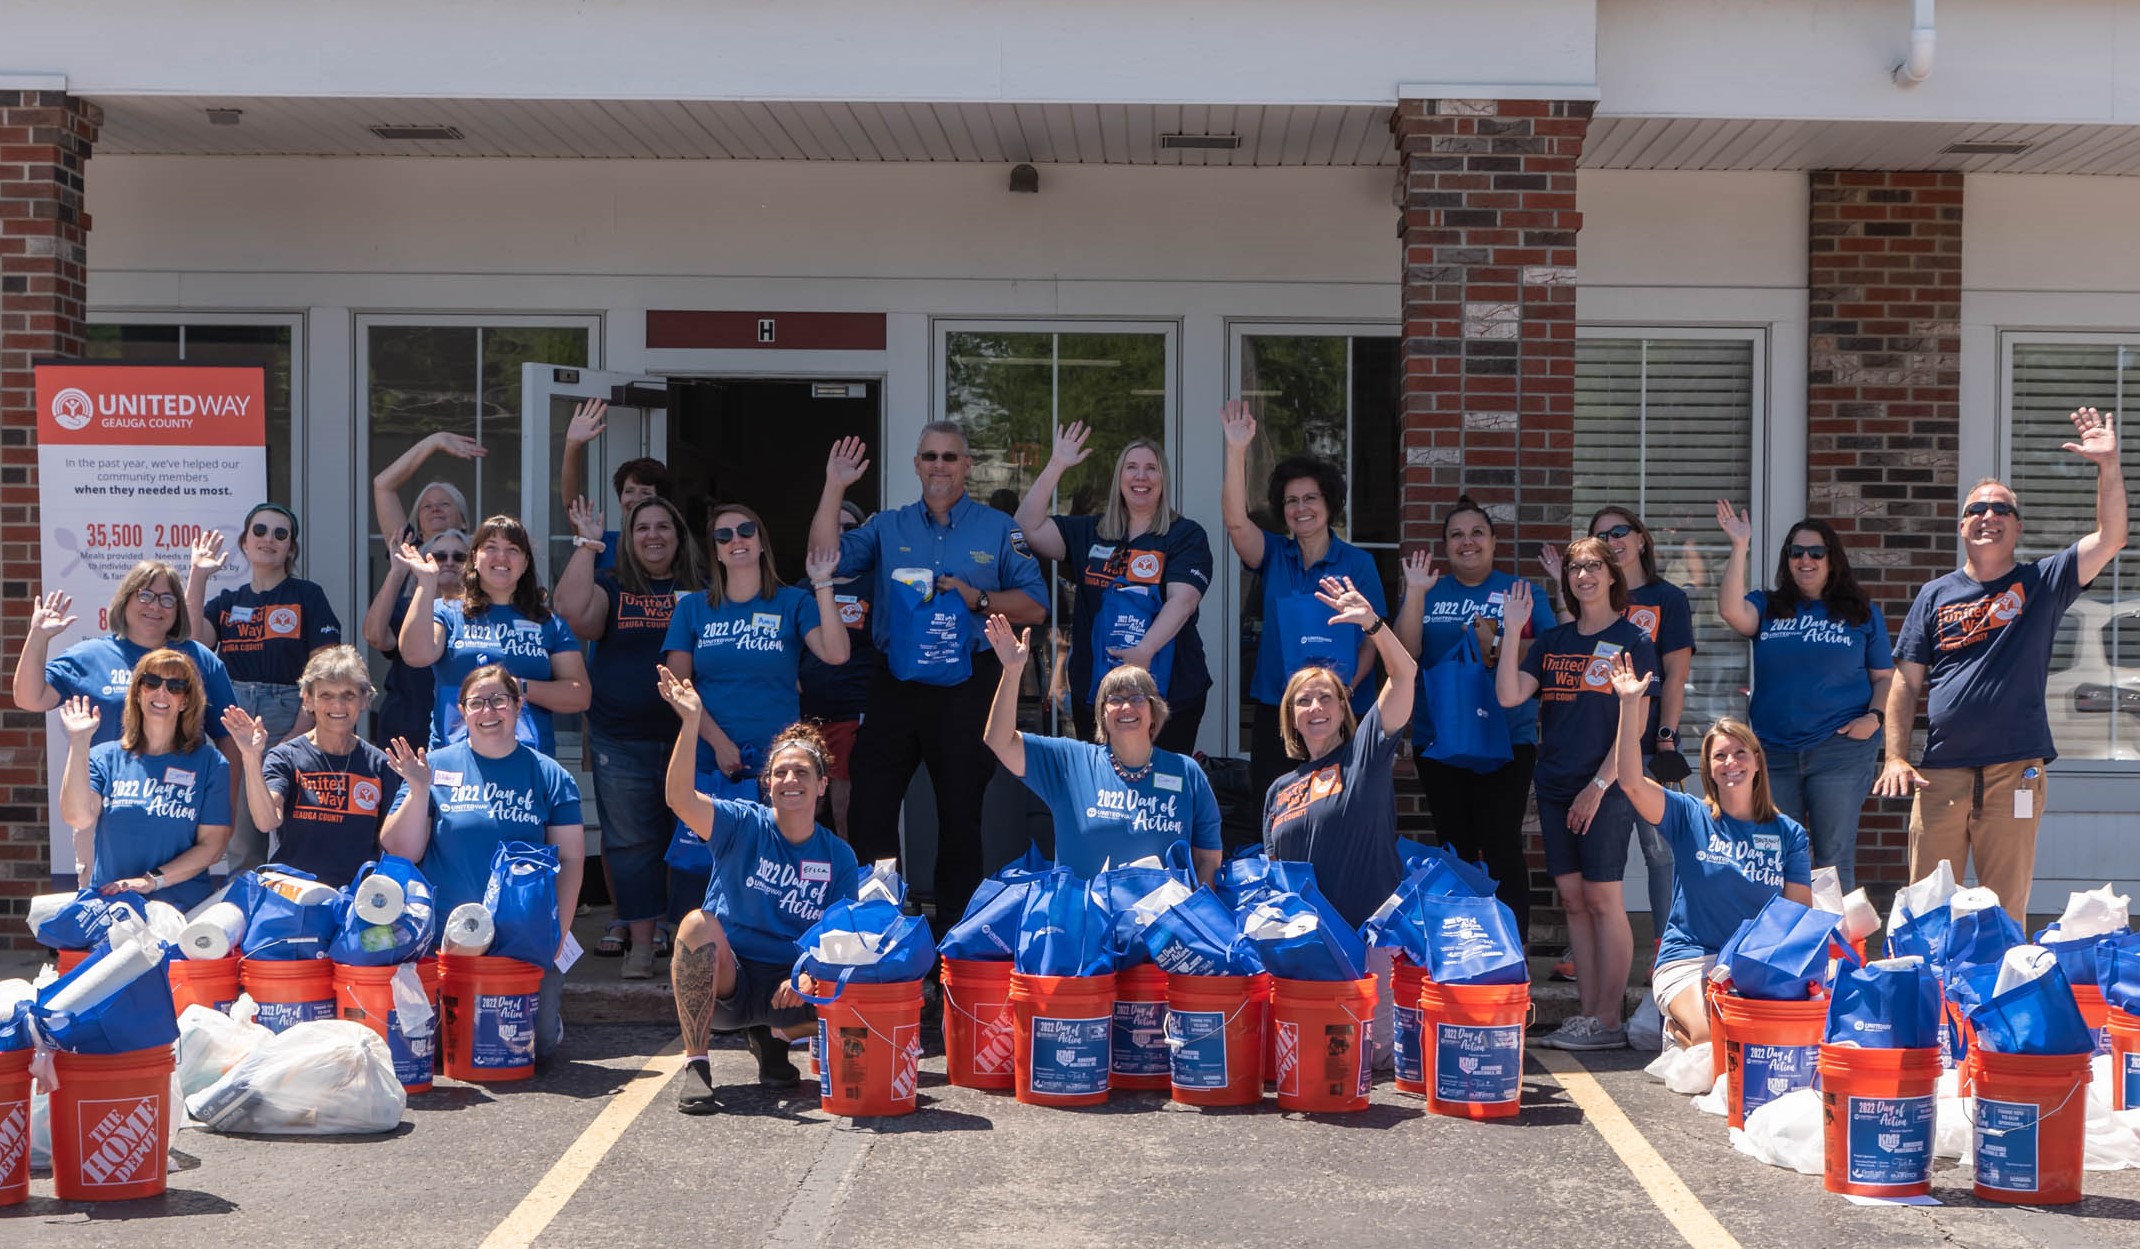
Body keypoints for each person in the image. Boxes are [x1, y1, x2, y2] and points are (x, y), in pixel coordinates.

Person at [1877, 406, 2128, 924]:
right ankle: (1931, 1001)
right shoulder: (1934, 595)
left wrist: (2108, 467)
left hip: (2015, 768)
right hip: (1940, 774)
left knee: (2003, 912)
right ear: (1963, 525)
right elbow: (1905, 681)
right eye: (1977, 508)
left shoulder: (2044, 582)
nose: (1988, 515)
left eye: (2000, 509)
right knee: (1927, 909)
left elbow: (2111, 538)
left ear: (2016, 526)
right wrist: (1895, 757)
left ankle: (1992, 1000)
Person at [806, 426, 1047, 928]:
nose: (940, 465)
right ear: (916, 464)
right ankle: (879, 924)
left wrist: (976, 597)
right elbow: (822, 560)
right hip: (897, 682)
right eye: (930, 457)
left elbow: (1036, 606)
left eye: (950, 457)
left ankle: (951, 937)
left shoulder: (999, 529)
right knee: (872, 805)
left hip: (967, 685)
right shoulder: (887, 526)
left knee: (960, 814)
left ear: (968, 465)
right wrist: (835, 485)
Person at [657, 667, 860, 1114]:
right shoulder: (742, 822)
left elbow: (842, 937)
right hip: (734, 981)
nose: (791, 780)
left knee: (862, 995)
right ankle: (697, 1063)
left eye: (802, 772)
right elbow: (679, 799)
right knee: (694, 925)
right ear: (767, 784)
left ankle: (774, 1040)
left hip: (793, 987)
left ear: (822, 784)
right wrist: (691, 723)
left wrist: (811, 973)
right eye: (781, 772)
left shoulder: (839, 856)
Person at [1496, 539, 1657, 1051]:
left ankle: (1609, 1019)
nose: (1583, 574)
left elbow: (1636, 727)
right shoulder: (1552, 640)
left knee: (1604, 898)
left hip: (1606, 785)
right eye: (1574, 568)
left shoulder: (1632, 639)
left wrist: (1599, 784)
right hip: (1555, 783)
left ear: (1612, 575)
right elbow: (1507, 695)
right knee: (1572, 899)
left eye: (1592, 566)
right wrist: (1510, 629)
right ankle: (1588, 1015)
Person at [380, 665, 585, 1062]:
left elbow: (573, 858)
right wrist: (420, 788)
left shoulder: (549, 775)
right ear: (462, 712)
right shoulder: (433, 766)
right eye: (477, 703)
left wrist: (559, 928)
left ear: (518, 706)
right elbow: (400, 850)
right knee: (442, 1050)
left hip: (523, 933)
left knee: (529, 1048)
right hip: (447, 936)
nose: (488, 711)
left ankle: (550, 1022)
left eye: (499, 700)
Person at [1606, 653, 1813, 1048]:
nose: (1730, 763)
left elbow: (1796, 916)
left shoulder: (1789, 833)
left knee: (1771, 1043)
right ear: (1708, 768)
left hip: (1752, 965)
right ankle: (1676, 1026)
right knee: (1713, 1040)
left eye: (1740, 753)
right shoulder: (1688, 815)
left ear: (1757, 764)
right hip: (1689, 959)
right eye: (1720, 755)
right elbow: (1632, 783)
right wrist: (1629, 704)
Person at [1261, 573, 1418, 1066]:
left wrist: (1372, 623)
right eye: (1303, 700)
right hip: (1306, 957)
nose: (1315, 706)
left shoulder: (1364, 753)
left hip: (1367, 952)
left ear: (1345, 709)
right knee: (1310, 1067)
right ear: (1291, 718)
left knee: (1367, 1065)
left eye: (1326, 696)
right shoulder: (1278, 791)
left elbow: (1405, 674)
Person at [1392, 496, 1557, 947]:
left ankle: (1511, 953)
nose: (1468, 542)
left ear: (1494, 541)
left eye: (1477, 533)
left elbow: (1548, 652)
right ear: (1446, 545)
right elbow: (1407, 654)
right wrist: (1417, 593)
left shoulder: (1522, 590)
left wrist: (1498, 644)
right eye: (1457, 535)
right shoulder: (1429, 590)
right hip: (1439, 738)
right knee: (1455, 847)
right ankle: (1461, 951)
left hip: (1508, 737)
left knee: (1501, 844)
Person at [557, 494, 703, 979]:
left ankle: (688, 942)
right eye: (643, 528)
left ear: (679, 536)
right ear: (629, 537)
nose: (654, 536)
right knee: (630, 844)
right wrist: (587, 545)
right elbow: (572, 612)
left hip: (690, 735)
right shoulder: (612, 584)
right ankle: (642, 944)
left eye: (664, 526)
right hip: (621, 736)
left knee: (692, 842)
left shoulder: (703, 588)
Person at [1715, 504, 1893, 893]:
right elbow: (1730, 611)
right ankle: (1784, 950)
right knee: (1776, 854)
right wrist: (1740, 545)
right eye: (1796, 553)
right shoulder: (1768, 606)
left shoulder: (1861, 612)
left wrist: (1874, 717)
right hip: (1773, 751)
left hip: (1840, 749)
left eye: (1816, 552)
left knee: (1832, 856)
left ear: (1832, 560)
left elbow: (1883, 676)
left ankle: (1837, 952)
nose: (1806, 560)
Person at [1547, 506, 1694, 966]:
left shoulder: (1666, 598)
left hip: (1646, 745)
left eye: (1619, 531)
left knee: (1657, 851)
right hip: (1593, 748)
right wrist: (1559, 583)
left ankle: (1667, 952)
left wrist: (1665, 737)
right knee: (1595, 866)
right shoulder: (1592, 594)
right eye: (1598, 536)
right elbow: (1570, 649)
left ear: (1641, 539)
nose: (1611, 540)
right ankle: (1586, 949)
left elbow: (1673, 675)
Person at [1220, 400, 1387, 796]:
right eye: (1291, 501)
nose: (1301, 508)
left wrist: (1344, 690)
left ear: (1329, 504)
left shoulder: (1358, 564)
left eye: (1310, 498)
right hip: (1278, 709)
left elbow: (1372, 640)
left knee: (1339, 810)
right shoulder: (1274, 554)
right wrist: (1236, 451)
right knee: (1277, 809)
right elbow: (1235, 522)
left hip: (1342, 709)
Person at [1013, 423, 1215, 750]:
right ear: (1119, 479)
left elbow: (1184, 601)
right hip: (1096, 689)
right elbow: (1024, 527)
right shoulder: (1091, 531)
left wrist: (1144, 652)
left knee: (1161, 791)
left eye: (1151, 469)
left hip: (1170, 692)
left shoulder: (1185, 535)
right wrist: (1057, 465)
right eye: (1131, 468)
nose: (1141, 477)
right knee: (1103, 789)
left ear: (1163, 480)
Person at [981, 615, 1222, 882]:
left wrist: (1197, 913)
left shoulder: (1186, 772)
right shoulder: (1070, 762)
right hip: (1085, 919)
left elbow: (1207, 859)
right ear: (1102, 715)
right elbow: (999, 740)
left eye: (1138, 698)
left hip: (1160, 920)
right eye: (1115, 699)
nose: (1126, 707)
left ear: (1155, 712)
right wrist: (1012, 672)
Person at [184, 505, 343, 868]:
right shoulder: (228, 602)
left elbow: (325, 670)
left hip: (289, 711)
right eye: (260, 530)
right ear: (245, 541)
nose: (268, 539)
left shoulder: (308, 596)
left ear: (291, 550)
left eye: (280, 534)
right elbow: (194, 641)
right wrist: (198, 575)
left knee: (296, 822)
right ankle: (247, 910)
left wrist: (301, 732)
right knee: (244, 837)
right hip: (236, 716)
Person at [662, 504, 846, 783]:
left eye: (746, 531)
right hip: (710, 758)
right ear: (716, 552)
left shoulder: (794, 602)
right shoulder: (692, 608)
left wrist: (822, 582)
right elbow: (677, 689)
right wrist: (720, 744)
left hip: (781, 762)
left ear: (762, 544)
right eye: (724, 536)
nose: (736, 539)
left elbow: (837, 654)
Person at [395, 515, 590, 754]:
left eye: (512, 549)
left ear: (526, 562)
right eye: (491, 548)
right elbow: (416, 655)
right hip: (456, 761)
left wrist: (516, 687)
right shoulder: (446, 612)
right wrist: (426, 583)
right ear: (474, 558)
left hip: (526, 761)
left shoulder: (548, 623)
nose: (501, 557)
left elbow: (579, 695)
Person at [56, 650, 232, 910]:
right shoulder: (104, 757)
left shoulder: (210, 762)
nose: (162, 692)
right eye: (151, 682)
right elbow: (78, 817)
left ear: (185, 701)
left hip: (183, 912)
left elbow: (212, 846)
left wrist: (150, 881)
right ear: (138, 693)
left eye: (175, 686)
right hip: (114, 907)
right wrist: (79, 742)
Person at [13, 561, 239, 757]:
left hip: (181, 800)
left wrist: (226, 803)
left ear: (177, 609)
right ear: (125, 599)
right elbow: (30, 699)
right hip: (106, 799)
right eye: (145, 595)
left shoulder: (200, 659)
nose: (155, 606)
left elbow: (229, 738)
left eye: (167, 599)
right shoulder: (90, 656)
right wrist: (38, 637)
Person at [222, 646, 401, 888]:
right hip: (295, 897)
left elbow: (391, 845)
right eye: (326, 695)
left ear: (364, 700)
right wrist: (251, 757)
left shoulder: (381, 764)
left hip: (358, 901)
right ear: (308, 700)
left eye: (348, 695)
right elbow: (266, 821)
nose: (337, 705)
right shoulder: (286, 757)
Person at [798, 500, 878, 837]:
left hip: (852, 713)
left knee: (846, 807)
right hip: (805, 713)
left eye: (850, 529)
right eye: (835, 529)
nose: (841, 536)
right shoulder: (803, 589)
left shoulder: (875, 585)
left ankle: (850, 882)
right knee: (806, 803)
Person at [365, 528, 469, 752]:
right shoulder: (408, 609)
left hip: (461, 729)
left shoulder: (480, 615)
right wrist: (397, 572)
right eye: (439, 556)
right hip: (406, 729)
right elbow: (375, 637)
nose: (449, 562)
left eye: (459, 557)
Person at [559, 396, 675, 573]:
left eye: (645, 493)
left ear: (661, 501)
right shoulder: (601, 542)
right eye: (629, 491)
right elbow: (572, 507)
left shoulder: (672, 546)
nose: (635, 499)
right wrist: (572, 446)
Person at [371, 431, 477, 550]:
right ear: (419, 526)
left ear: (463, 521)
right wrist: (433, 441)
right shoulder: (408, 552)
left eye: (444, 504)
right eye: (427, 506)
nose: (435, 509)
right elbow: (383, 485)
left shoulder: (478, 556)